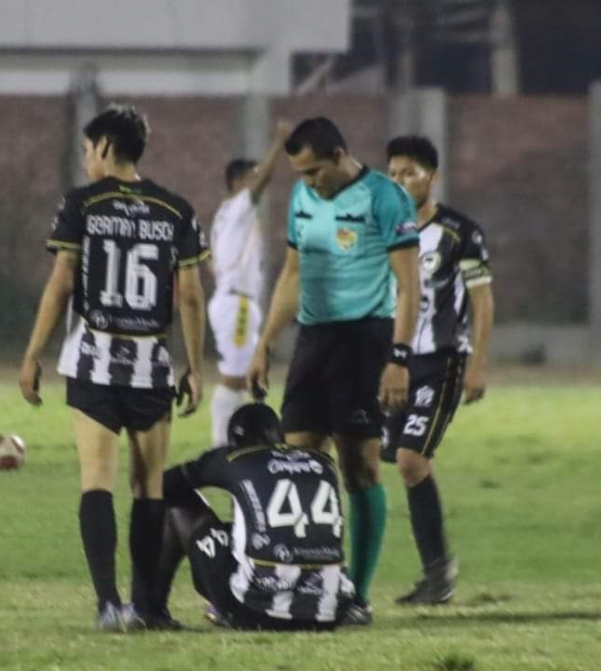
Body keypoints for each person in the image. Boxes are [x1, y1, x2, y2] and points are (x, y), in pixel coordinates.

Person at [18, 105, 209, 631]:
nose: (86, 161)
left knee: (96, 481)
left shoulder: (81, 204)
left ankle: (108, 604)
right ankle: (148, 607)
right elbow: (190, 297)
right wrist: (194, 366)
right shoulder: (176, 210)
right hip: (151, 366)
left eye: (87, 151)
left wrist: (32, 354)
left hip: (95, 362)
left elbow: (60, 284)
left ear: (104, 147)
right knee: (147, 488)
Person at [246, 117, 421, 625]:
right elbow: (293, 274)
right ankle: (301, 586)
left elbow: (410, 286)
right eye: (300, 173)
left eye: (315, 170)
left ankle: (356, 595)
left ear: (341, 154)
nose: (308, 181)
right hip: (313, 342)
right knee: (297, 465)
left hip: (366, 340)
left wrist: (399, 358)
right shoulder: (303, 200)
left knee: (360, 467)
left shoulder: (386, 199)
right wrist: (264, 343)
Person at [383, 135, 494, 605]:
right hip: (394, 363)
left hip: (443, 360)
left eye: (409, 172)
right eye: (392, 174)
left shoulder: (459, 232)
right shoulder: (384, 229)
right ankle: (432, 574)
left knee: (411, 459)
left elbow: (482, 300)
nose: (400, 181)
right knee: (382, 464)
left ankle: (439, 572)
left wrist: (477, 364)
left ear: (432, 177)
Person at [153, 403, 354, 631]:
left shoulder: (236, 458)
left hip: (257, 611)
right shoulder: (324, 462)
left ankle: (153, 608)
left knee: (179, 504)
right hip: (331, 611)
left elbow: (164, 484)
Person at [207, 119, 291, 446]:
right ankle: (221, 446)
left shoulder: (225, 216)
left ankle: (241, 442)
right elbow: (264, 180)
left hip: (232, 300)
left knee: (244, 377)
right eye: (251, 175)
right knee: (236, 378)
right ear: (238, 181)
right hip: (237, 303)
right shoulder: (240, 206)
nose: (257, 180)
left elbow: (211, 260)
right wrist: (279, 141)